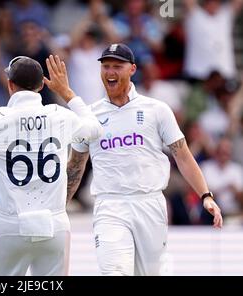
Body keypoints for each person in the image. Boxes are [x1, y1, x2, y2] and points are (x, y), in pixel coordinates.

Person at [0, 55, 102, 275]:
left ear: (10, 85)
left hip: (10, 225)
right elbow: (96, 129)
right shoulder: (60, 115)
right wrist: (67, 92)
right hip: (55, 224)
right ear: (42, 85)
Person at [66, 43, 223, 276]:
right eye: (106, 66)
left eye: (117, 66)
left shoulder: (156, 110)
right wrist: (58, 207)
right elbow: (75, 165)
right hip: (110, 205)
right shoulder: (90, 115)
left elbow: (183, 155)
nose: (110, 72)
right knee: (114, 272)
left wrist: (205, 195)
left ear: (132, 69)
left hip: (149, 204)